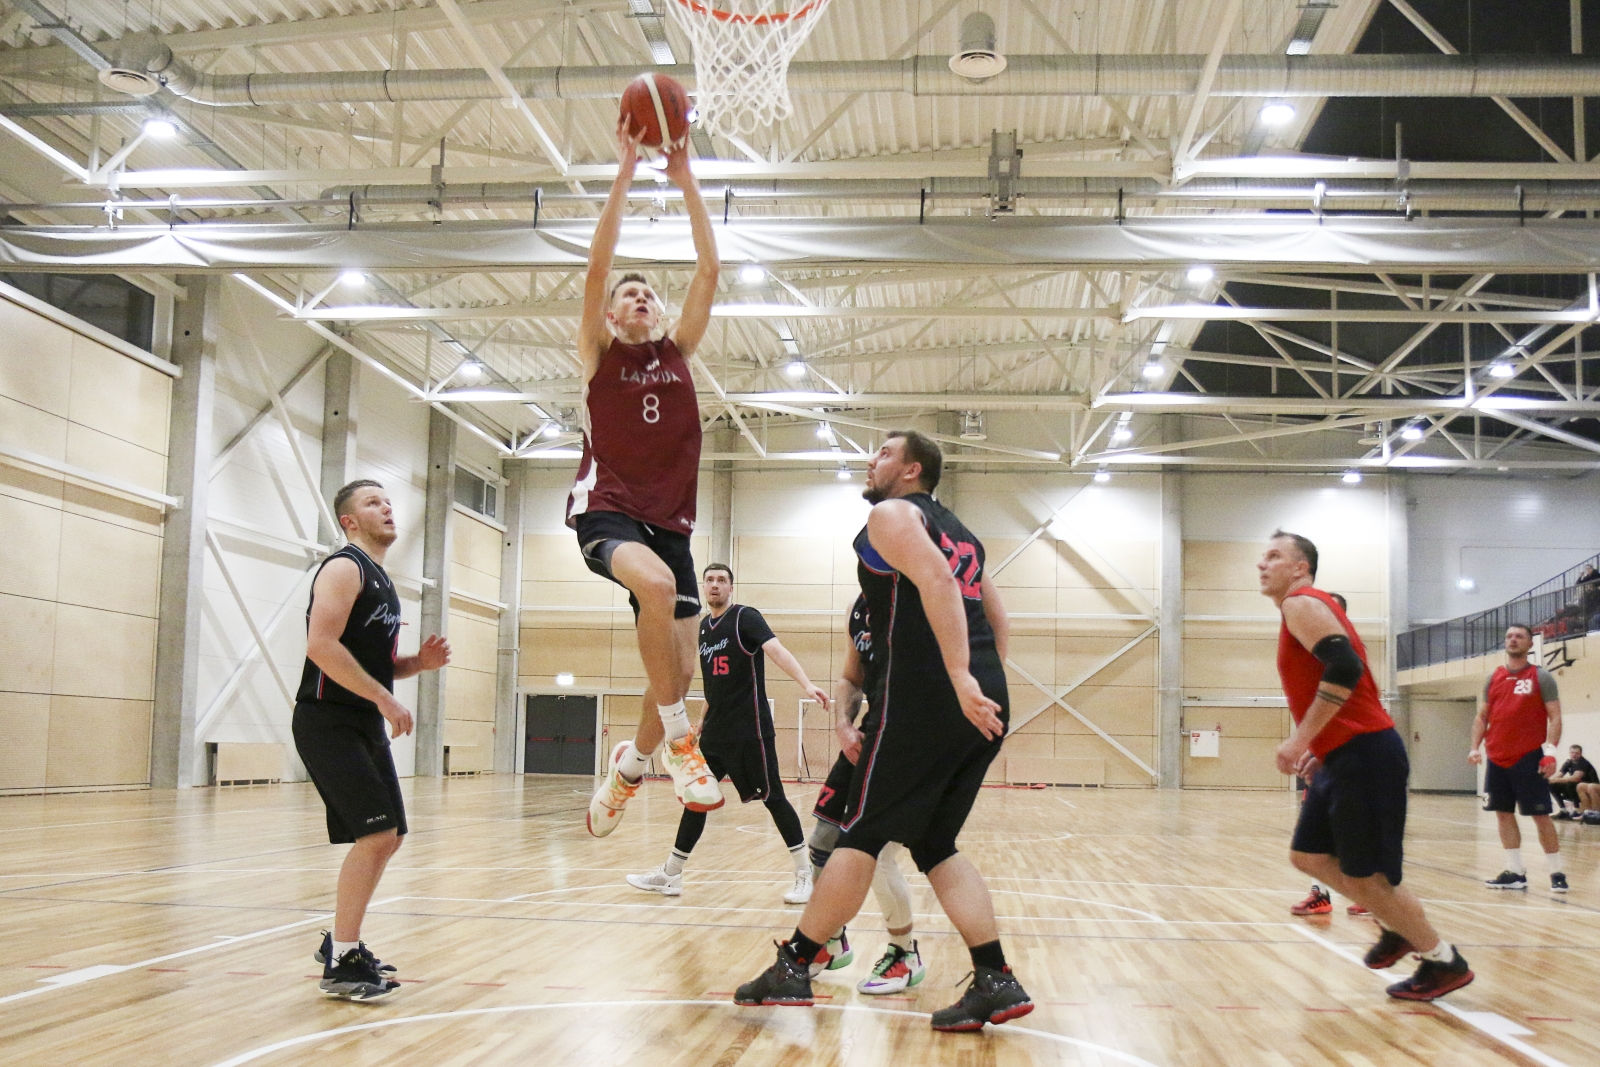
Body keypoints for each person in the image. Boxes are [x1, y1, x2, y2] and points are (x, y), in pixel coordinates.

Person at [735, 431, 1032, 1032]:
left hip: (923, 698)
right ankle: (996, 979)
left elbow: (941, 586)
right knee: (934, 843)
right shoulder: (961, 532)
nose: (873, 461)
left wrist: (954, 676)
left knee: (860, 834)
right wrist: (980, 677)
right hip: (978, 699)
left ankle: (795, 965)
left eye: (886, 453)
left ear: (912, 469)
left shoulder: (891, 513)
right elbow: (995, 612)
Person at [573, 116, 722, 837]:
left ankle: (630, 765)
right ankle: (679, 742)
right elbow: (597, 268)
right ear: (609, 314)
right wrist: (626, 175)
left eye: (647, 294)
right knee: (658, 589)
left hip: (672, 522)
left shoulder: (678, 350)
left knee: (682, 665)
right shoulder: (601, 355)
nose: (638, 298)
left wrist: (687, 181)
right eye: (627, 295)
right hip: (607, 511)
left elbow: (709, 272)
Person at [1259, 531, 1472, 1001]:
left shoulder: (1302, 602)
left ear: (1301, 567)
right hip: (1343, 753)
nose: (1262, 564)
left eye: (1274, 555)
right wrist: (1322, 745)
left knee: (1365, 877)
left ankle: (1443, 961)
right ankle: (1394, 922)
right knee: (1308, 856)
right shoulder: (1301, 608)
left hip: (1367, 753)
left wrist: (1300, 739)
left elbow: (1346, 670)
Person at [295, 480, 450, 1001]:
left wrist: (415, 666)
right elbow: (321, 645)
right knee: (377, 835)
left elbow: (375, 665)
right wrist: (386, 700)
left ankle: (342, 943)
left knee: (392, 834)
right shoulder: (345, 567)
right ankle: (342, 960)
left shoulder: (382, 579)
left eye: (388, 501)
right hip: (327, 719)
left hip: (360, 721)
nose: (386, 507)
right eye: (371, 502)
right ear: (349, 521)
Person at [625, 564, 830, 902]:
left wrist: (806, 683)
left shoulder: (745, 618)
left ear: (731, 587)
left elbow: (775, 650)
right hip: (716, 734)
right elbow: (712, 686)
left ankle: (804, 875)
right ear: (704, 588)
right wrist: (701, 722)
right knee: (696, 800)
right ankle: (671, 875)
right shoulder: (703, 627)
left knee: (774, 799)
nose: (715, 585)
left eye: (722, 580)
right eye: (710, 580)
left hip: (750, 731)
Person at [805, 593, 926, 994]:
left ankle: (905, 953)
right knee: (823, 840)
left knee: (876, 853)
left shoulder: (925, 594)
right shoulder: (859, 606)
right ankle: (831, 937)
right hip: (867, 737)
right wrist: (843, 724)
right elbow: (851, 678)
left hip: (910, 742)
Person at [1472, 624, 1568, 892]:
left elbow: (1555, 717)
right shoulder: (1493, 678)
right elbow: (1482, 717)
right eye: (1509, 636)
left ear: (1530, 644)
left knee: (1541, 817)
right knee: (1503, 814)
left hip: (1528, 758)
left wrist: (1550, 752)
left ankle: (1556, 871)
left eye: (1519, 636)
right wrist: (1474, 747)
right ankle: (1515, 872)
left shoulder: (1541, 677)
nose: (1513, 640)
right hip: (1497, 758)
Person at [1550, 743, 1598, 820]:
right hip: (1575, 790)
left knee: (1571, 783)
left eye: (1576, 753)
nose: (1574, 755)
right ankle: (1563, 810)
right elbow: (1559, 775)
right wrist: (1550, 780)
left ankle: (1577, 810)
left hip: (1587, 789)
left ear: (1580, 754)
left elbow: (1576, 778)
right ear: (1569, 753)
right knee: (1552, 785)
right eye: (1572, 753)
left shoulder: (1582, 763)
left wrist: (1555, 780)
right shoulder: (1568, 762)